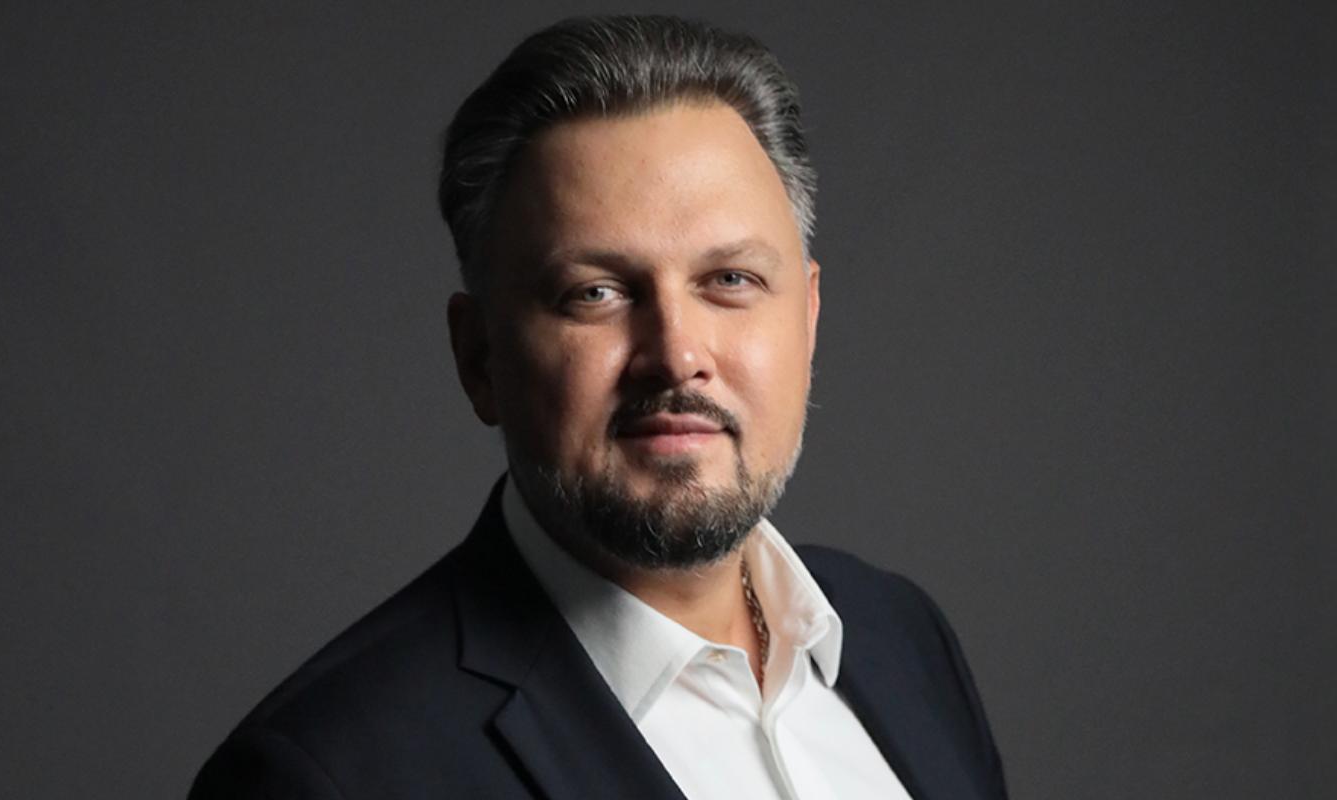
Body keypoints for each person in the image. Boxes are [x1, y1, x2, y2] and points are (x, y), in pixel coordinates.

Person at [191, 14, 1006, 800]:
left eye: (731, 280)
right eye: (595, 293)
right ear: (479, 357)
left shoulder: (901, 638)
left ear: (808, 319)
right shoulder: (330, 774)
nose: (677, 355)